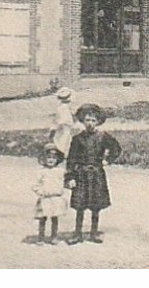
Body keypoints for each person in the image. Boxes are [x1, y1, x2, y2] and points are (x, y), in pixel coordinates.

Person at [64, 103, 121, 245]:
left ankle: (94, 233)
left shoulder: (103, 136)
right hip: (81, 174)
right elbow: (71, 159)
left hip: (96, 174)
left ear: (98, 122)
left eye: (93, 120)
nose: (90, 123)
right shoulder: (77, 139)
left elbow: (116, 148)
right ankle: (77, 234)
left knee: (96, 205)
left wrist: (108, 160)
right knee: (80, 205)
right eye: (87, 120)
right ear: (82, 121)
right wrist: (70, 177)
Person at [32, 144, 67, 245]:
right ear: (44, 158)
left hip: (56, 198)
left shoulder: (60, 171)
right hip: (45, 198)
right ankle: (40, 237)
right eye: (48, 158)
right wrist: (40, 192)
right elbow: (35, 184)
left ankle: (54, 237)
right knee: (43, 218)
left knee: (55, 218)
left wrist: (67, 185)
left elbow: (65, 181)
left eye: (53, 158)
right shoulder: (42, 171)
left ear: (58, 159)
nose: (51, 160)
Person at [50, 86, 75, 156]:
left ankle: (62, 154)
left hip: (64, 128)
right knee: (62, 142)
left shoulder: (63, 107)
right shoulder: (63, 108)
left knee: (64, 142)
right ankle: (61, 154)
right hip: (63, 128)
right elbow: (60, 121)